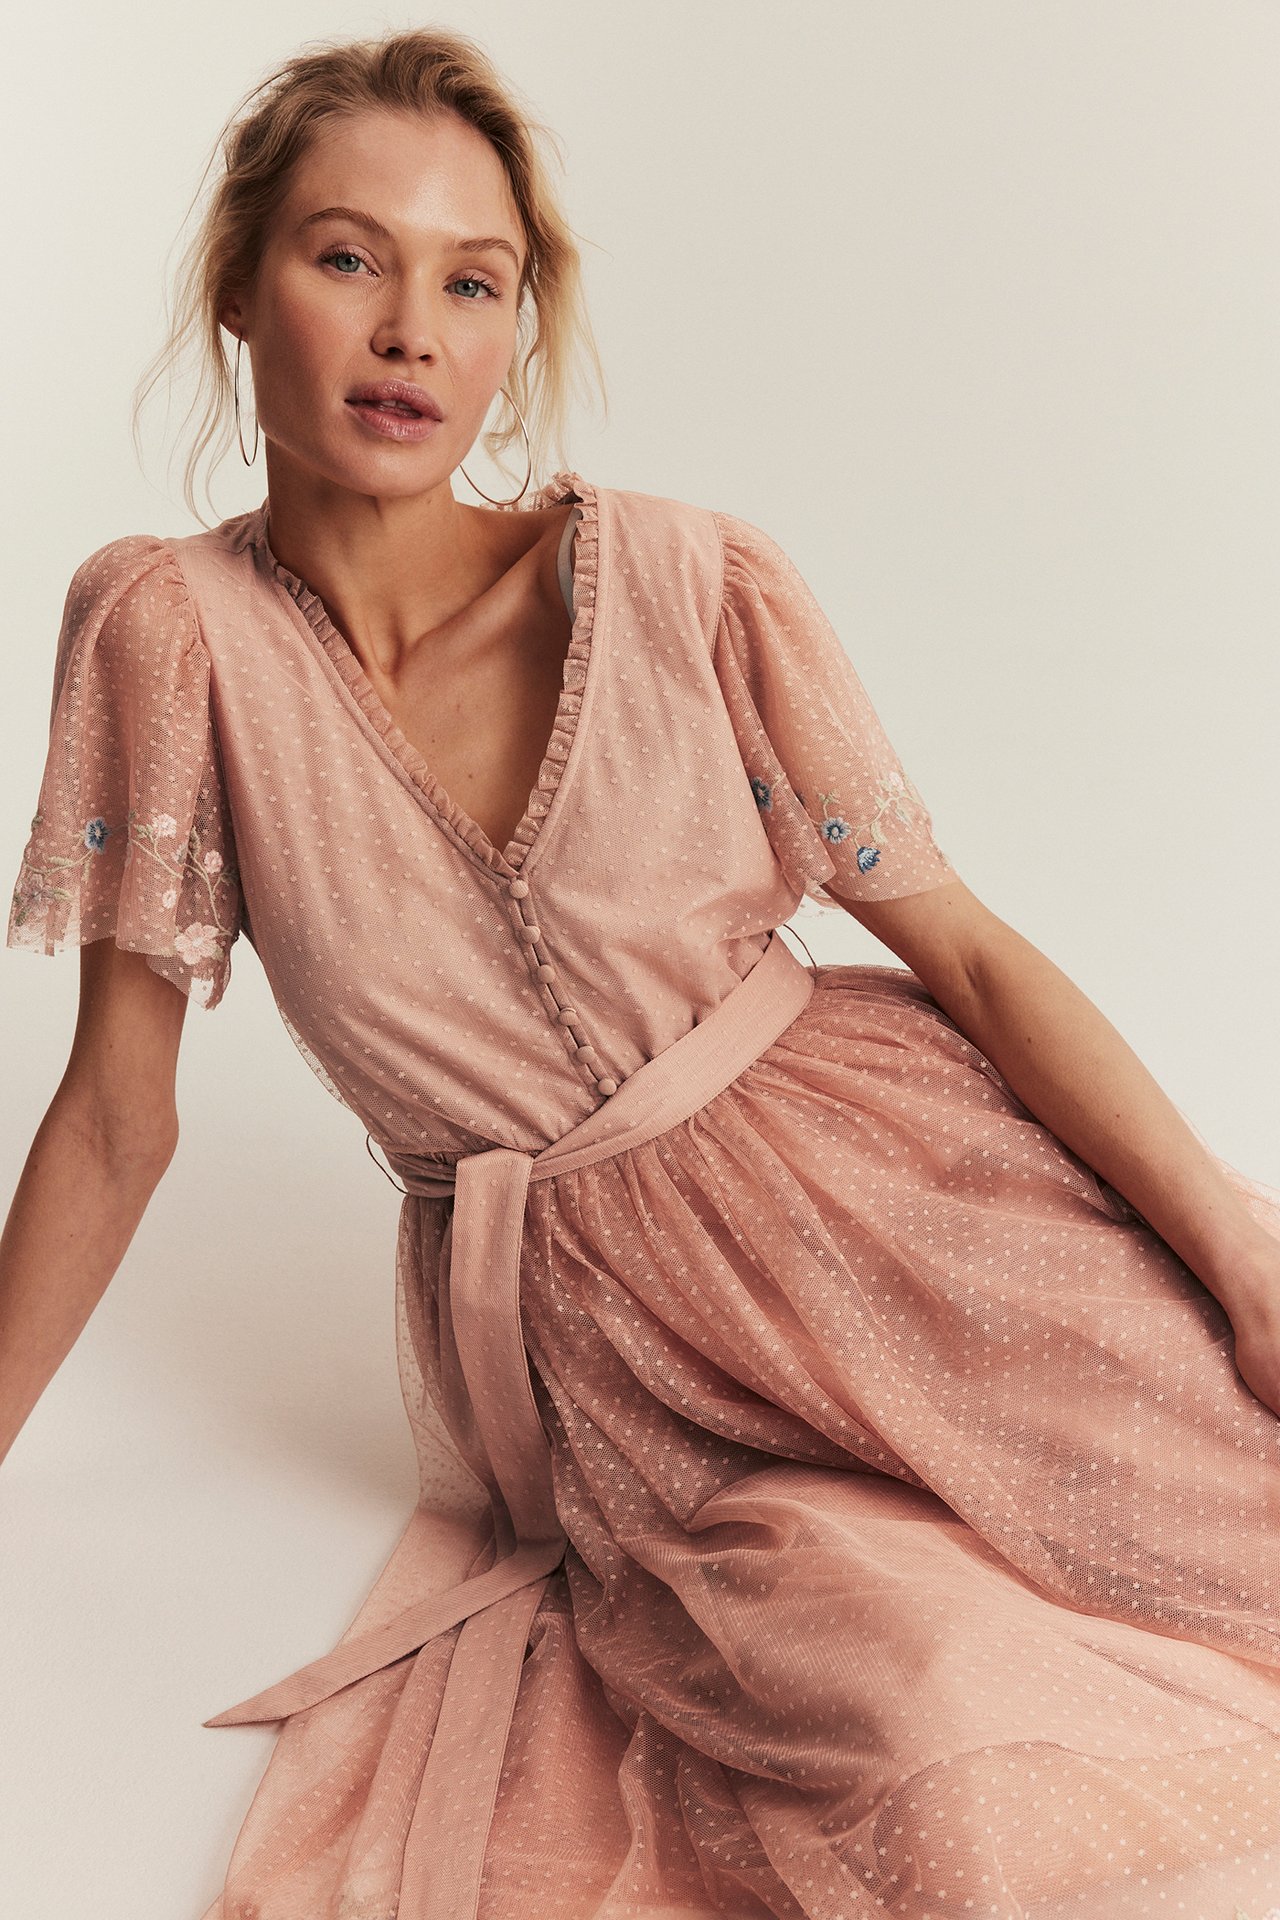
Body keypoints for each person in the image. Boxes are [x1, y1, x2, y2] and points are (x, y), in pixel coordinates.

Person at [4, 25, 1280, 1920]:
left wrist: (1243, 1263)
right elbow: (119, 1114)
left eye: (473, 280)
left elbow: (973, 958)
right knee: (939, 1764)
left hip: (920, 1215)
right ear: (236, 284)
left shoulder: (695, 582)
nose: (410, 330)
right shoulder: (167, 635)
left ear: (521, 325)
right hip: (637, 1377)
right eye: (349, 257)